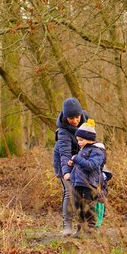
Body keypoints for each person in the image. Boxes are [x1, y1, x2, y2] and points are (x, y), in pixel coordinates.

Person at [52, 97, 89, 236]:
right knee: (69, 191)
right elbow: (64, 153)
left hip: (80, 160)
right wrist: (66, 172)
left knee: (82, 192)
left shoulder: (87, 122)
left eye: (77, 117)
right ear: (65, 116)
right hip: (64, 162)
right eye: (71, 118)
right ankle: (67, 225)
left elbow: (92, 142)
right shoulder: (63, 132)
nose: (74, 120)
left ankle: (84, 225)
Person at [68, 119, 106, 236]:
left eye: (81, 140)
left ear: (90, 139)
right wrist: (73, 163)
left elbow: (92, 165)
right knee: (78, 206)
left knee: (88, 207)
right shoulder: (83, 150)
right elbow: (81, 165)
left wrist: (77, 159)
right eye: (78, 140)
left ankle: (91, 230)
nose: (78, 142)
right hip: (78, 184)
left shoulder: (97, 151)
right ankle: (80, 229)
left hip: (88, 184)